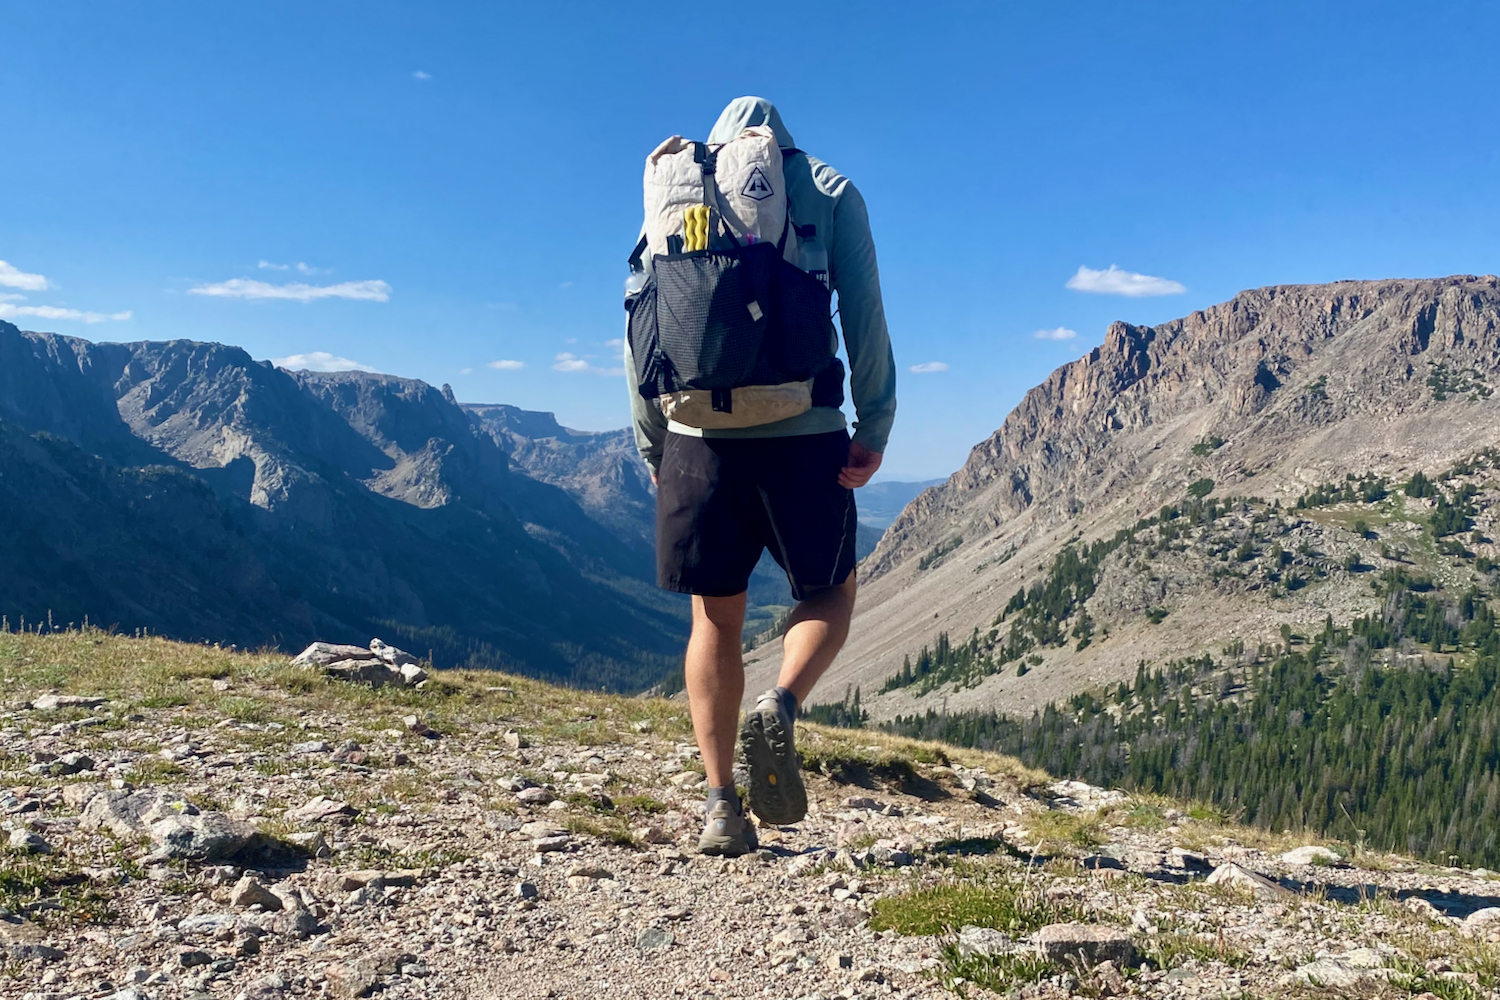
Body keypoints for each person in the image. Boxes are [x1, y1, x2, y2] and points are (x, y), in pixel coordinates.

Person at [625, 96, 897, 856]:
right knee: (829, 592)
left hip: (695, 438)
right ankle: (779, 703)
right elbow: (865, 317)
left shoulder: (675, 189)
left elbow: (638, 325)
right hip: (804, 431)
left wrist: (656, 444)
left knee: (715, 619)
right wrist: (873, 428)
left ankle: (721, 807)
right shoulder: (829, 190)